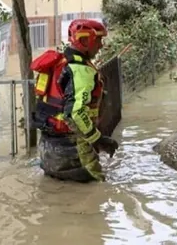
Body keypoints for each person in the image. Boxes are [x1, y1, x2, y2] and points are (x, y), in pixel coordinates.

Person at [30, 19, 119, 182]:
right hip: (72, 150)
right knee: (97, 190)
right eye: (99, 40)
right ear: (85, 40)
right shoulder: (81, 71)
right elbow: (76, 113)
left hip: (47, 148)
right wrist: (98, 139)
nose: (101, 45)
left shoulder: (59, 63)